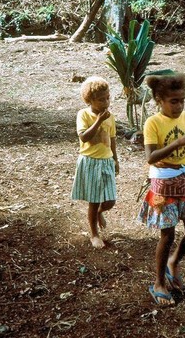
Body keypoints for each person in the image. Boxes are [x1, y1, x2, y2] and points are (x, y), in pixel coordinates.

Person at [138, 73, 185, 305]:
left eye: (181, 100)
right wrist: (176, 144)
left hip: (183, 179)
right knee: (167, 234)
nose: (179, 106)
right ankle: (159, 282)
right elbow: (151, 157)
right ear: (159, 100)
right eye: (173, 101)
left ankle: (174, 261)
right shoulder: (153, 123)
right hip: (163, 183)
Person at [72, 76, 119, 248]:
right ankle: (94, 234)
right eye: (101, 100)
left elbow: (112, 139)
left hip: (106, 161)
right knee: (93, 199)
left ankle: (100, 212)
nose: (106, 102)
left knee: (110, 200)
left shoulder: (110, 117)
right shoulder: (83, 115)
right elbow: (84, 137)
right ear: (90, 100)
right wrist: (98, 120)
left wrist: (115, 159)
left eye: (108, 97)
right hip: (90, 161)